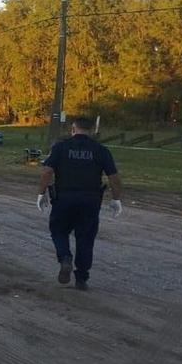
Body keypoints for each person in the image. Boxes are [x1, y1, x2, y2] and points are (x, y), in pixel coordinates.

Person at [36, 117, 124, 290]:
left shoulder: (61, 148)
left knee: (59, 231)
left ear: (73, 128)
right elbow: (113, 177)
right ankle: (82, 278)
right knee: (86, 237)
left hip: (64, 198)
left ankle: (65, 257)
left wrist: (41, 193)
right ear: (91, 130)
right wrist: (116, 199)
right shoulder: (100, 150)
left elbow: (47, 171)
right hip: (90, 200)